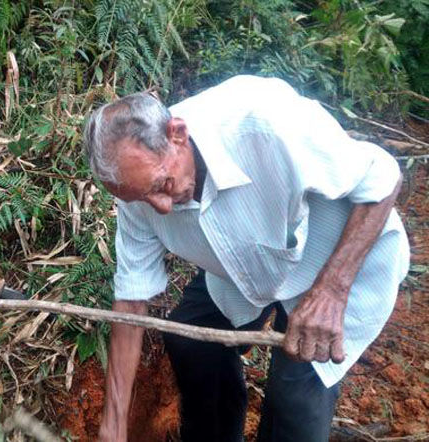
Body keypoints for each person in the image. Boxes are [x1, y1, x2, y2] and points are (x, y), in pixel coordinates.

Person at [82, 75, 409, 442]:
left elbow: (382, 179)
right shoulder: (139, 191)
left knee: (294, 400)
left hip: (340, 260)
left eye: (162, 186)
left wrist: (330, 293)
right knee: (192, 340)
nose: (159, 207)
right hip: (250, 263)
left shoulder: (264, 122)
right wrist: (113, 423)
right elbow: (130, 300)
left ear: (177, 134)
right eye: (141, 198)